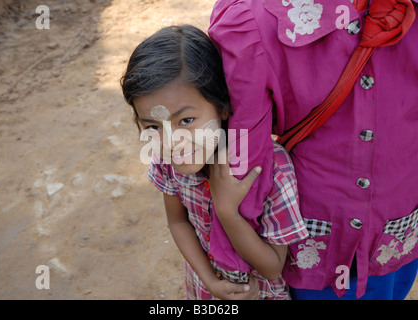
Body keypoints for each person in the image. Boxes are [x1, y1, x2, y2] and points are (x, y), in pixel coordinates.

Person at [208, 0, 418, 299]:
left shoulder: (256, 20)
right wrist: (242, 262)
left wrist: (238, 267)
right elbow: (244, 160)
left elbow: (243, 165)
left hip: (388, 228)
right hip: (343, 235)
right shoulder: (254, 23)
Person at [121, 25, 308, 300]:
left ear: (221, 106)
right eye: (153, 126)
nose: (172, 141)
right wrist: (209, 281)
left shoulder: (269, 168)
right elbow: (178, 222)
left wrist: (227, 211)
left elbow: (271, 267)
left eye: (185, 120)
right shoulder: (165, 158)